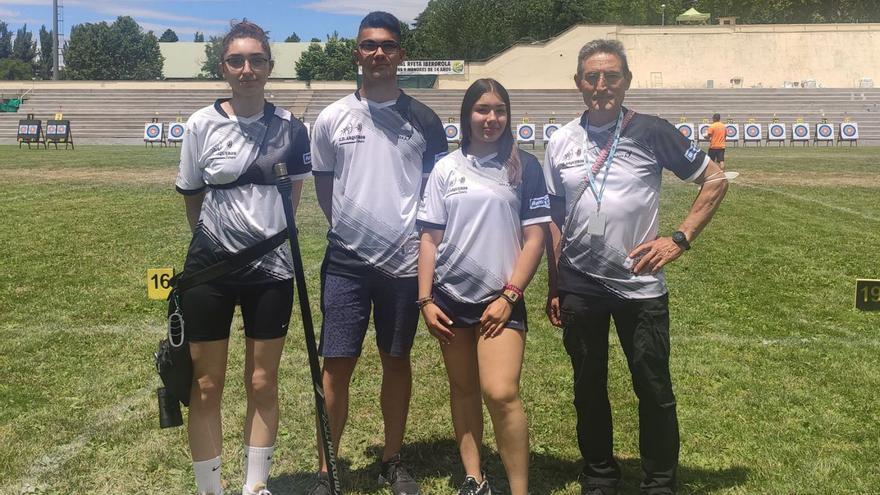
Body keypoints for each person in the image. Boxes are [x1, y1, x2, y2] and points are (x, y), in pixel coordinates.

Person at [543, 39, 728, 495]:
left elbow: (715, 179)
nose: (601, 85)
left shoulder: (651, 130)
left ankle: (660, 481)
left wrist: (679, 239)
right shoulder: (560, 140)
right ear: (578, 83)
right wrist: (554, 281)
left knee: (652, 385)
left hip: (639, 283)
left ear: (626, 81)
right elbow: (552, 217)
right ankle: (600, 473)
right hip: (580, 284)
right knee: (587, 384)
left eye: (611, 76)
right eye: (592, 77)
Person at [308, 11, 448, 495]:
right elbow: (326, 189)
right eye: (369, 45)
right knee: (336, 365)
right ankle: (329, 470)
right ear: (357, 53)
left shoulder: (425, 120)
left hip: (404, 265)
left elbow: (439, 192)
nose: (379, 54)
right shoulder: (330, 118)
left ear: (401, 54)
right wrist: (353, 232)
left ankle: (392, 459)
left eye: (387, 45)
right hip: (346, 262)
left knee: (396, 359)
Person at [174, 20, 311, 495]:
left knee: (261, 381)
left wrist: (260, 243)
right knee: (207, 385)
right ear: (223, 68)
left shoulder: (294, 129)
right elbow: (192, 196)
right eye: (237, 60)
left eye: (256, 60)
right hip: (210, 273)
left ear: (270, 67)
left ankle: (255, 487)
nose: (247, 69)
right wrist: (219, 246)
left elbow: (291, 200)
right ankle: (210, 490)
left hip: (272, 272)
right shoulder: (200, 124)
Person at [417, 79, 550, 495]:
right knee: (463, 389)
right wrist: (425, 299)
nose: (490, 118)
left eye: (498, 110)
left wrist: (511, 295)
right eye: (481, 109)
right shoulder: (445, 168)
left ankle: (519, 489)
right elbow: (429, 238)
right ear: (466, 114)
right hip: (450, 298)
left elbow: (536, 238)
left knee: (501, 391)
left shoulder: (524, 166)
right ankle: (474, 478)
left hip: (501, 299)